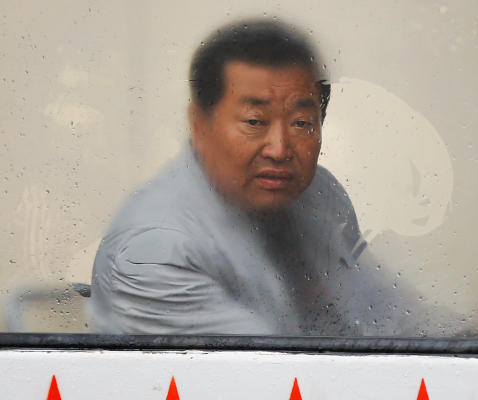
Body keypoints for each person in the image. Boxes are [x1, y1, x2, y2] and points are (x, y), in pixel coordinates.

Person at [91, 19, 431, 335]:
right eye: (255, 122)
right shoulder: (154, 251)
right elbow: (270, 379)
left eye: (301, 123)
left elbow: (385, 314)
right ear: (199, 127)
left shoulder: (319, 194)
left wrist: (468, 341)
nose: (280, 149)